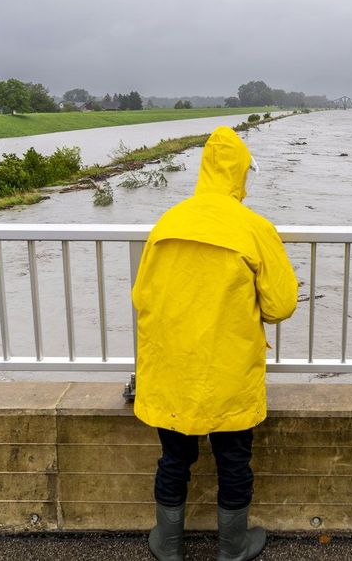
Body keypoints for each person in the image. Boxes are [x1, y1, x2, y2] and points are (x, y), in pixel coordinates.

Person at [131, 125, 298, 561]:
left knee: (174, 459)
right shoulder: (253, 227)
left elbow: (141, 296)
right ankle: (232, 547)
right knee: (234, 461)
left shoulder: (168, 222)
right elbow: (280, 306)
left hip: (171, 367)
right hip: (226, 370)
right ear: (241, 174)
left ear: (203, 171)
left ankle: (168, 547)